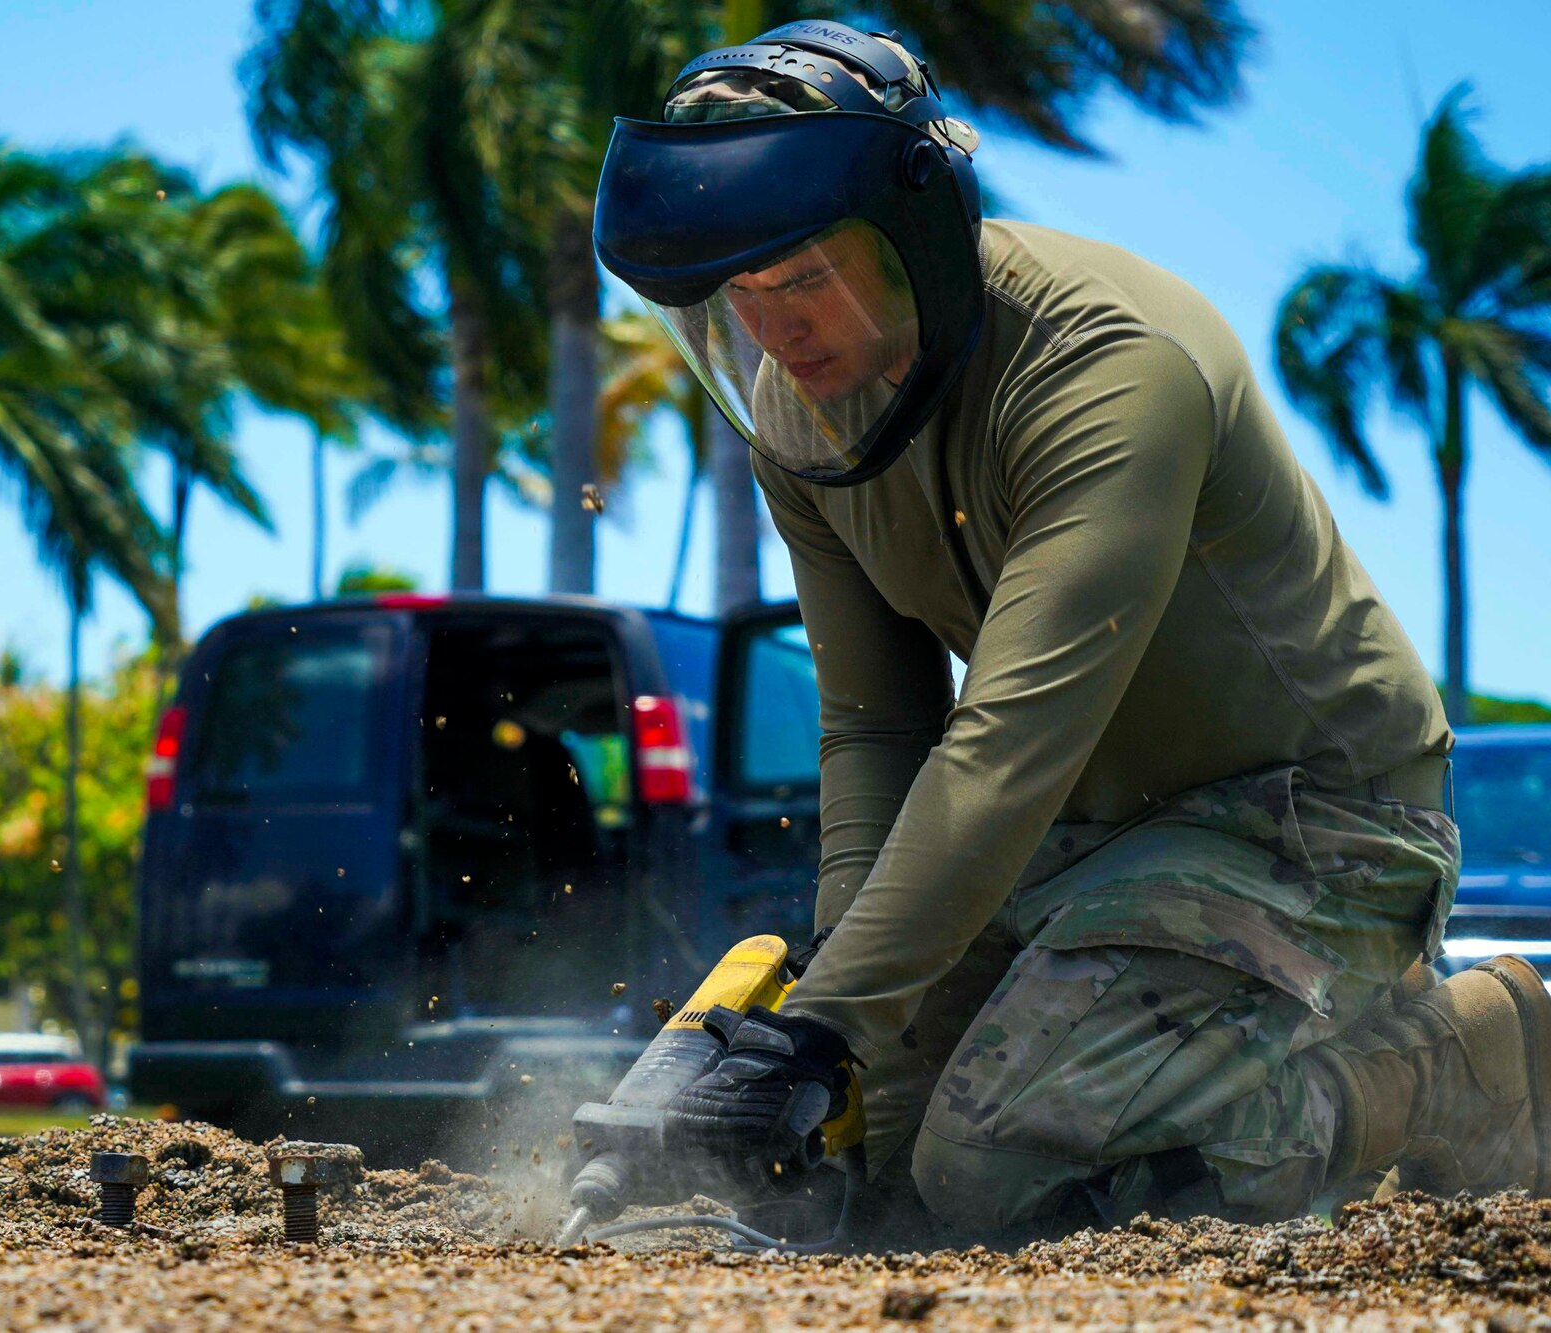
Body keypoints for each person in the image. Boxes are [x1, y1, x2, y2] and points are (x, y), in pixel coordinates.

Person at [593, 20, 1551, 1234]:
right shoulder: (808, 416)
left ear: (915, 235)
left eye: (800, 279)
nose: (775, 330)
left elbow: (1008, 738)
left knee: (1003, 1172)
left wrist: (827, 1023)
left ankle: (1445, 1053)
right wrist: (827, 1023)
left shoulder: (1107, 364)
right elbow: (878, 724)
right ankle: (1224, 1025)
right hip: (1075, 847)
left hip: (1316, 822)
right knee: (882, 1173)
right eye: (739, 295)